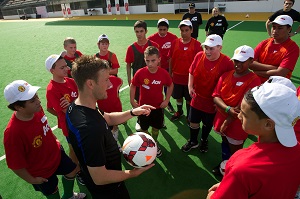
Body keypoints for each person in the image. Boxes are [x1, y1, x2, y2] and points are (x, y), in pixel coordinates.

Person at [66, 55, 155, 199]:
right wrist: (133, 173)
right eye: (106, 80)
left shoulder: (77, 106)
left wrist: (132, 112)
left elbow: (107, 118)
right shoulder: (89, 129)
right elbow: (100, 177)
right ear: (90, 84)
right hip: (108, 190)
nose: (109, 85)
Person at [207, 82, 300, 199]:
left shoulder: (241, 166)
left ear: (268, 124)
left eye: (244, 114)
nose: (239, 116)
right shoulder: (297, 151)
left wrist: (212, 195)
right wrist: (233, 185)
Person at [3, 80, 86, 199]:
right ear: (18, 107)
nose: (38, 101)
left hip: (56, 154)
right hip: (40, 170)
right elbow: (15, 165)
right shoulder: (13, 133)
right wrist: (32, 179)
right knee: (52, 192)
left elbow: (44, 128)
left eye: (36, 96)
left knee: (73, 171)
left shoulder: (36, 109)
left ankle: (68, 196)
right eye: (32, 100)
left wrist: (55, 141)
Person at [211, 45, 261, 175]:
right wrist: (228, 109)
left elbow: (243, 106)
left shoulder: (254, 80)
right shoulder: (226, 75)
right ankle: (225, 165)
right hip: (222, 120)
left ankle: (233, 171)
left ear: (251, 61)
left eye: (242, 61)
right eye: (236, 60)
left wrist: (227, 121)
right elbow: (216, 96)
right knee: (225, 142)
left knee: (236, 150)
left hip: (237, 124)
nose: (238, 64)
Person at [181, 34, 234, 153]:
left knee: (207, 124)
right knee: (193, 121)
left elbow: (229, 84)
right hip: (197, 98)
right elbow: (191, 71)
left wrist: (220, 102)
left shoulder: (227, 63)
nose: (207, 51)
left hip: (213, 102)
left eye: (211, 48)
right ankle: (193, 141)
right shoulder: (199, 56)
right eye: (206, 48)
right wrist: (190, 86)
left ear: (220, 47)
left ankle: (204, 140)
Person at [45, 53, 86, 186]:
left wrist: (71, 106)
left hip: (81, 120)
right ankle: (78, 172)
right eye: (62, 67)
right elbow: (63, 109)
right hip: (70, 127)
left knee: (83, 146)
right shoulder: (52, 89)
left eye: (66, 66)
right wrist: (65, 113)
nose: (66, 69)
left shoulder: (70, 81)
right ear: (52, 71)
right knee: (74, 150)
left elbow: (82, 99)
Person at [130, 46, 174, 157]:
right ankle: (149, 142)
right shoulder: (140, 73)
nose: (150, 64)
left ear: (159, 59)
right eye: (147, 60)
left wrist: (167, 100)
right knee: (143, 128)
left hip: (158, 107)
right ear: (144, 59)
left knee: (156, 127)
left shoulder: (163, 73)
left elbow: (170, 85)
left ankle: (154, 143)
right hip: (144, 108)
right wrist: (131, 99)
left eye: (153, 60)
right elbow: (133, 85)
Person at [125, 20, 159, 131]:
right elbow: (128, 64)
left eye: (141, 31)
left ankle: (157, 119)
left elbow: (159, 63)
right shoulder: (131, 48)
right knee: (139, 101)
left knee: (154, 99)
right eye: (137, 31)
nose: (139, 34)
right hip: (138, 80)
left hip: (153, 79)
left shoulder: (154, 46)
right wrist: (129, 80)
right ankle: (140, 119)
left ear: (146, 31)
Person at [168, 19, 202, 122]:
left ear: (191, 30)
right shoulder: (175, 43)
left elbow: (200, 64)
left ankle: (189, 115)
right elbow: (170, 59)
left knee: (188, 98)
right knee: (178, 97)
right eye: (182, 30)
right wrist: (170, 73)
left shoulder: (197, 45)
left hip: (189, 79)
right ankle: (179, 111)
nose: (184, 33)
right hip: (177, 77)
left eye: (186, 30)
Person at [250, 15, 299, 83]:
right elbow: (249, 63)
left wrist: (257, 72)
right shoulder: (264, 43)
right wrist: (274, 68)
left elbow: (280, 74)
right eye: (274, 27)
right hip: (256, 82)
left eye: (280, 28)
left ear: (289, 29)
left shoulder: (293, 48)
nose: (275, 31)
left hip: (276, 85)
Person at [147, 18, 178, 113]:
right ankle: (159, 103)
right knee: (156, 86)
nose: (162, 31)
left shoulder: (174, 38)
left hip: (169, 67)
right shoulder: (151, 39)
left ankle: (167, 102)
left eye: (164, 29)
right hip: (156, 67)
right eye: (160, 29)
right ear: (157, 28)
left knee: (168, 85)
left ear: (168, 29)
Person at [97, 74, 123, 148]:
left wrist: (116, 90)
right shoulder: (95, 82)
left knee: (114, 126)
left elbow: (120, 81)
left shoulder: (114, 79)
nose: (109, 84)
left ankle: (114, 142)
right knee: (107, 128)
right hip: (104, 112)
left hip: (115, 109)